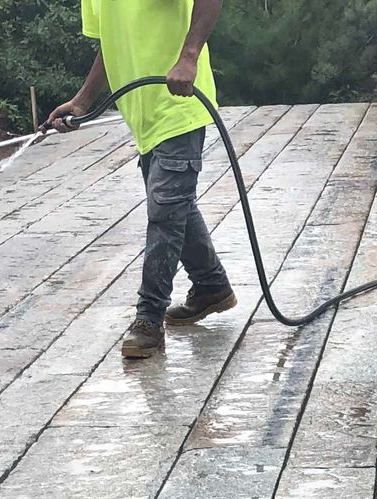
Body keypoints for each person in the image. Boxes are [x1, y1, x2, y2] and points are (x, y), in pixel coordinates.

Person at [48, 0, 236, 360]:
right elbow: (113, 42)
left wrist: (189, 56)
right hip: (143, 117)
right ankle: (212, 286)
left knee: (165, 209)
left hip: (179, 104)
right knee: (172, 205)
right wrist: (83, 100)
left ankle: (149, 319)